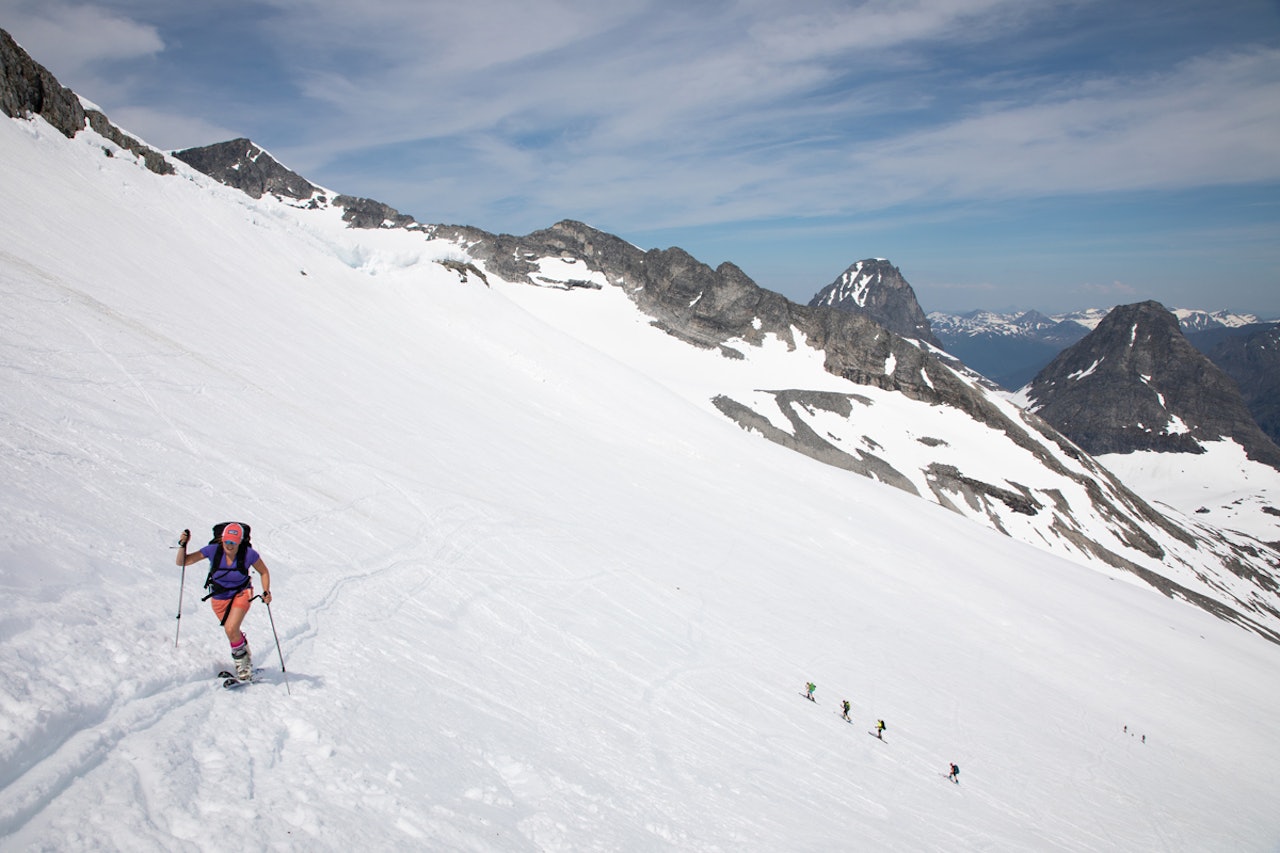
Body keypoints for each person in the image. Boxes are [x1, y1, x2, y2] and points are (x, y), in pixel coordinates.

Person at [177, 523, 272, 679]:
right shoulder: (213, 550)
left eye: (233, 542)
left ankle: (243, 667)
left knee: (230, 628)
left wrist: (266, 591)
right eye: (227, 541)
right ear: (222, 540)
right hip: (219, 597)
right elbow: (183, 562)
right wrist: (182, 545)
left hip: (242, 592)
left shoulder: (248, 554)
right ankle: (245, 657)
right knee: (232, 632)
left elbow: (264, 572)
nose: (229, 545)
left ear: (239, 541)